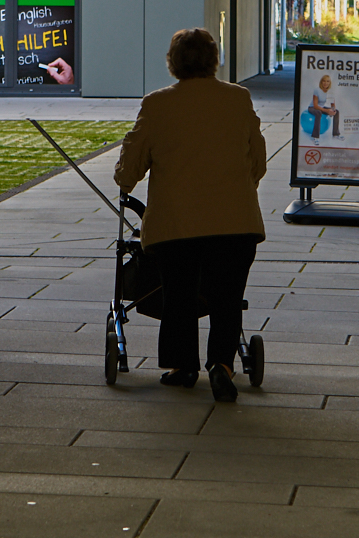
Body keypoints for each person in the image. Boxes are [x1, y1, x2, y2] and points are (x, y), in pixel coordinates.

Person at [114, 28, 267, 402]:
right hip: (236, 225)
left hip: (176, 227)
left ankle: (182, 367)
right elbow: (258, 162)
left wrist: (126, 180)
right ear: (214, 60)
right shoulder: (238, 98)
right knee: (227, 297)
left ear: (173, 63)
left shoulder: (157, 104)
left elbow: (129, 168)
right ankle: (222, 365)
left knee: (178, 295)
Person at [303, 74, 340, 143]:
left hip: (322, 107)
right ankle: (315, 137)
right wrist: (327, 110)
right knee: (318, 112)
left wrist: (332, 110)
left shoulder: (330, 91)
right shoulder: (317, 90)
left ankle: (336, 134)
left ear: (329, 83)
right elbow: (315, 106)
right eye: (324, 81)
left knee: (337, 112)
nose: (326, 83)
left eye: (327, 81)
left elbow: (332, 104)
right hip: (312, 108)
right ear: (321, 82)